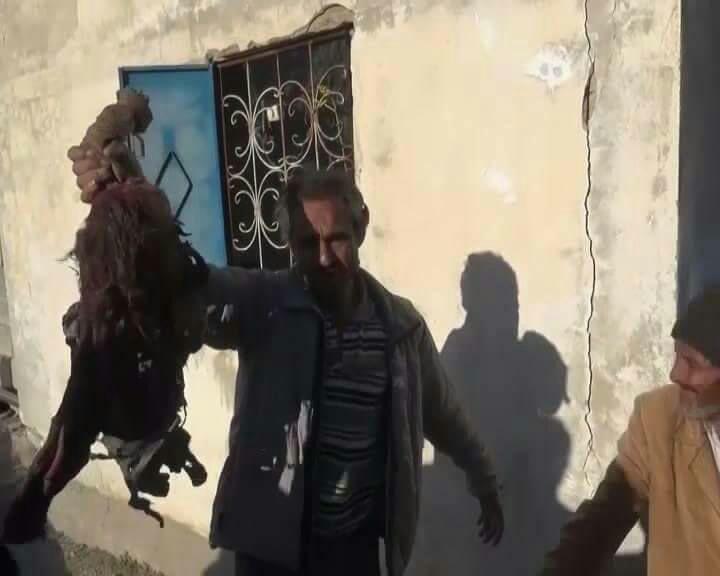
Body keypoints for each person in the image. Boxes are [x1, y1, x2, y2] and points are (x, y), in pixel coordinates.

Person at [68, 134, 504, 575]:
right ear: (290, 245)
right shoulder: (266, 304)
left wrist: (483, 479)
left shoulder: (401, 328)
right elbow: (189, 282)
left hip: (353, 552)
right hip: (272, 554)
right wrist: (137, 209)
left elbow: (442, 413)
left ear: (361, 228)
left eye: (337, 239)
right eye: (306, 243)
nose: (324, 258)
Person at [2, 180, 208, 543]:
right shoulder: (105, 326)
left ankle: (33, 503)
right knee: (70, 430)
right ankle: (32, 504)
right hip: (121, 385)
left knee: (70, 430)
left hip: (138, 399)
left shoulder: (162, 292)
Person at [540, 286, 720, 576]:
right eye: (677, 356)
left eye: (692, 363)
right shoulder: (658, 418)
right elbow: (600, 523)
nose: (675, 374)